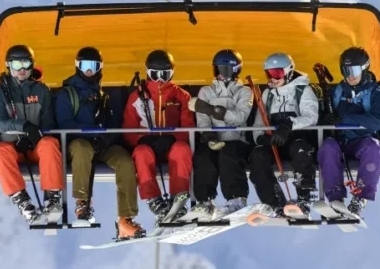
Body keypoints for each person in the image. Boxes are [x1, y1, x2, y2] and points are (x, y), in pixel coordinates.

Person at [55, 46, 146, 239]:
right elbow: (65, 124)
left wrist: (106, 138)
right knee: (82, 149)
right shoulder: (66, 94)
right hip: (77, 143)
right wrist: (93, 135)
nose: (89, 70)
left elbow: (112, 124)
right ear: (77, 66)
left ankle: (125, 219)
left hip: (100, 144)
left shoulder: (102, 96)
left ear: (100, 68)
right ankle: (82, 203)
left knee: (124, 160)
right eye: (85, 66)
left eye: (93, 66)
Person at [0, 45, 63, 224]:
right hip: (13, 147)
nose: (22, 69)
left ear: (32, 65)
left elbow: (48, 122)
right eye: (17, 65)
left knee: (50, 144)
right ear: (9, 66)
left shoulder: (41, 91)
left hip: (35, 146)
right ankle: (22, 201)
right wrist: (24, 127)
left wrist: (34, 138)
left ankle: (52, 197)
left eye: (26, 64)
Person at [123, 49, 196, 224]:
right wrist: (142, 139)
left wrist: (174, 138)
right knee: (141, 152)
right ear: (148, 73)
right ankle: (153, 199)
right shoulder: (137, 97)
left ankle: (178, 197)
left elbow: (188, 126)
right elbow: (128, 128)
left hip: (172, 144)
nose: (160, 80)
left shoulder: (181, 96)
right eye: (155, 75)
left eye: (165, 75)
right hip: (149, 145)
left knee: (182, 149)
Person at [318, 46, 380, 218]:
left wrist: (344, 119)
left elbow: (378, 120)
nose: (349, 76)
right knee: (327, 147)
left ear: (364, 69)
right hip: (340, 141)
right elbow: (323, 114)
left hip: (361, 141)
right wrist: (326, 119)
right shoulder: (337, 91)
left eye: (354, 71)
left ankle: (360, 198)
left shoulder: (375, 92)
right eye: (345, 70)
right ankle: (336, 198)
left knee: (373, 147)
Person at [247, 53, 319, 217]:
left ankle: (304, 199)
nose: (272, 78)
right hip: (275, 141)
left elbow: (311, 116)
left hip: (297, 137)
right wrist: (261, 137)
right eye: (269, 73)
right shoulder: (268, 94)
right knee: (257, 156)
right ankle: (274, 203)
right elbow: (259, 122)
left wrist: (289, 125)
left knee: (301, 150)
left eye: (277, 73)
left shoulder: (303, 90)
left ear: (289, 72)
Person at [187, 49, 253, 220]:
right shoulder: (206, 91)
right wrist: (208, 135)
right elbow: (202, 119)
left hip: (236, 140)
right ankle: (204, 202)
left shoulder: (245, 92)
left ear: (236, 70)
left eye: (226, 70)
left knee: (228, 155)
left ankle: (236, 198)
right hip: (213, 140)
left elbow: (240, 117)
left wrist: (213, 110)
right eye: (218, 69)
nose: (221, 74)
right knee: (203, 156)